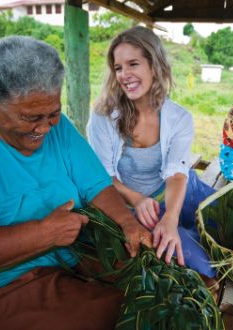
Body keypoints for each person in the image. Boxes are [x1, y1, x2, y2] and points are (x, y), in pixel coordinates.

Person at [0, 36, 152, 330]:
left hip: (65, 264)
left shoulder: (59, 127)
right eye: (30, 117)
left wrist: (125, 221)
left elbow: (94, 184)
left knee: (153, 297)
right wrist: (43, 233)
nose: (44, 127)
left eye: (52, 113)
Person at [86, 26, 216, 282]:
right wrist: (136, 200)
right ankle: (184, 231)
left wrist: (170, 218)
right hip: (133, 207)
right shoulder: (103, 116)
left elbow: (177, 174)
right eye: (119, 67)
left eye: (133, 64)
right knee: (203, 266)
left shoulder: (179, 117)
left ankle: (183, 223)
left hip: (177, 191)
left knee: (231, 229)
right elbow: (102, 177)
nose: (125, 75)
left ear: (154, 66)